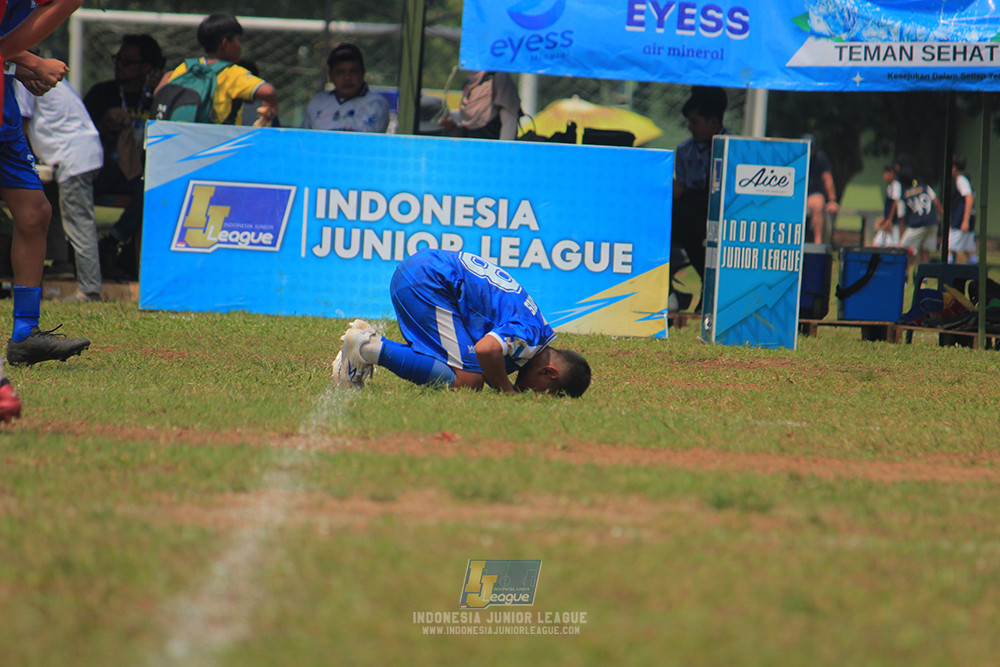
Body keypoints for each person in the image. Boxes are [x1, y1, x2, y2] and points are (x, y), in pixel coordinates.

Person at [331, 249, 591, 397]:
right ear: (550, 373)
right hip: (428, 282)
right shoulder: (529, 336)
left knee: (461, 370)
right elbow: (486, 350)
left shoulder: (536, 329)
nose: (535, 396)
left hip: (425, 274)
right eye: (545, 394)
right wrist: (507, 390)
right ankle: (366, 347)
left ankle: (367, 347)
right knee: (469, 380)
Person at [0, 0, 90, 423]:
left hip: (3, 111)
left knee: (35, 213)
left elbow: (7, 44)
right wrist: (33, 60)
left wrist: (23, 67)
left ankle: (24, 335)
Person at [84, 33, 163, 281]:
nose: (119, 65)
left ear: (147, 67)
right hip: (104, 165)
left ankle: (112, 242)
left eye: (127, 62)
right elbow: (82, 134)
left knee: (151, 190)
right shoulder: (102, 93)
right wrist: (104, 126)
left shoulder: (159, 98)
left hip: (141, 171)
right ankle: (75, 253)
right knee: (76, 186)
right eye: (117, 59)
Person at [16, 78, 104, 301]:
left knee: (78, 221)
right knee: (51, 204)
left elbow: (19, 126)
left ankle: (90, 289)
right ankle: (61, 263)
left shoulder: (22, 78)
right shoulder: (41, 73)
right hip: (76, 153)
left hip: (73, 157)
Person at [154, 13, 278, 127]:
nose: (240, 46)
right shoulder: (232, 73)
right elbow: (268, 91)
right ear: (225, 44)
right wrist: (271, 104)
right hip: (218, 145)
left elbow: (161, 90)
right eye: (238, 40)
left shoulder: (187, 66)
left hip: (181, 142)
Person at [671, 86, 728, 309]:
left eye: (695, 122)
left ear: (714, 122)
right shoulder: (684, 151)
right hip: (692, 216)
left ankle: (712, 287)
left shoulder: (735, 147)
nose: (690, 127)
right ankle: (670, 293)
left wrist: (686, 192)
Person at [300, 43, 389, 133]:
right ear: (330, 76)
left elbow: (356, 142)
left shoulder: (375, 103)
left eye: (353, 71)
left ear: (363, 73)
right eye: (340, 72)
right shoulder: (317, 102)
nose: (347, 78)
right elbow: (302, 140)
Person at [438, 71, 521, 140]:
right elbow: (471, 134)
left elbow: (509, 126)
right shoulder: (470, 86)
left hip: (494, 155)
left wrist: (502, 156)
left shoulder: (498, 79)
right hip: (472, 155)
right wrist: (453, 128)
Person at [897, 156, 944, 274]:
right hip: (932, 222)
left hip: (918, 224)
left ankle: (905, 275)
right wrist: (945, 218)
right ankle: (925, 277)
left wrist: (902, 237)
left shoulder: (904, 194)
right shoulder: (925, 187)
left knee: (904, 249)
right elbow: (937, 203)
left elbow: (901, 217)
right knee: (925, 250)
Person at [803, 134, 839, 244]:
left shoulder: (820, 158)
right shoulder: (795, 157)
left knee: (818, 204)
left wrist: (832, 200)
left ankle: (817, 242)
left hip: (813, 194)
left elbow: (827, 179)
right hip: (798, 194)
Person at [948, 154, 977, 265]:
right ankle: (977, 274)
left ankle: (946, 275)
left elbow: (969, 198)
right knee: (969, 249)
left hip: (961, 218)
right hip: (969, 217)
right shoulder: (967, 179)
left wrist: (965, 220)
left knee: (948, 247)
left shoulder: (960, 180)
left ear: (954, 168)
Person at [872, 162, 902, 248]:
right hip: (888, 221)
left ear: (891, 173)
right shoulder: (890, 187)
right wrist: (883, 220)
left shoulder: (896, 185)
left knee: (893, 247)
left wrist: (889, 220)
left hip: (893, 224)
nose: (884, 175)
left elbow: (895, 203)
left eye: (886, 173)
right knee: (876, 245)